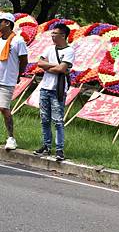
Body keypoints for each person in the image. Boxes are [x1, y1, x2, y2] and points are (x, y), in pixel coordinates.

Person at [33, 23, 74, 161]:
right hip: (45, 88)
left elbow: (61, 70)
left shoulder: (69, 51)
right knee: (44, 119)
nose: (52, 36)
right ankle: (46, 146)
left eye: (55, 33)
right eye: (52, 33)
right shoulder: (50, 49)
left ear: (63, 35)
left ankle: (59, 149)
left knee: (57, 121)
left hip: (58, 90)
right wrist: (55, 66)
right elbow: (39, 63)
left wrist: (49, 66)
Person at [0, 12, 28, 150]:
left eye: (1, 21)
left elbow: (24, 60)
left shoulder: (18, 41)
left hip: (7, 80)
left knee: (4, 108)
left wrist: (19, 74)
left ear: (7, 23)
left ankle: (11, 138)